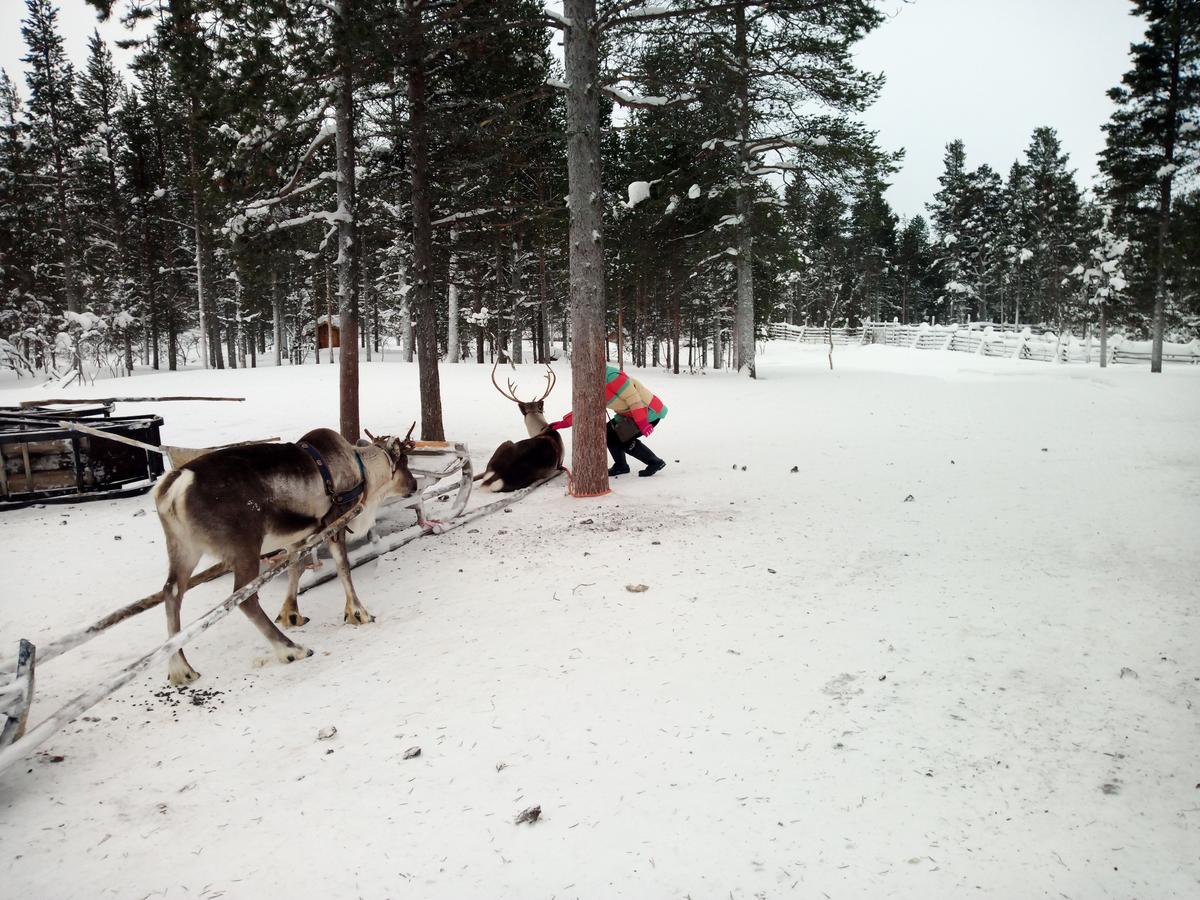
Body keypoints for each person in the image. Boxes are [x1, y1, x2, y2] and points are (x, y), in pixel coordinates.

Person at [550, 365, 668, 477]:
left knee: (622, 439)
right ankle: (621, 466)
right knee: (607, 433)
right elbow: (586, 410)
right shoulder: (592, 386)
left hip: (648, 412)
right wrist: (564, 423)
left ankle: (654, 462)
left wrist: (642, 422)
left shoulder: (611, 376)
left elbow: (633, 398)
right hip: (629, 415)